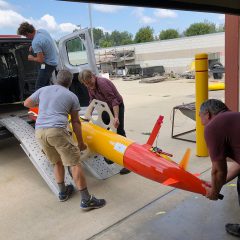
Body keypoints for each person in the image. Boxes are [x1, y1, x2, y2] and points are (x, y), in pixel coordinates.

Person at [24, 70, 106, 210]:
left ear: (56, 80)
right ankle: (86, 200)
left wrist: (46, 107)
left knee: (57, 162)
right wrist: (80, 142)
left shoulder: (43, 90)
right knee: (75, 164)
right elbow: (76, 122)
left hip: (40, 132)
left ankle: (63, 192)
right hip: (56, 131)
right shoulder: (71, 96)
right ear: (69, 82)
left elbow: (27, 103)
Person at [200, 99, 240, 237]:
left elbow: (218, 170)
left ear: (207, 114)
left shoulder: (212, 126)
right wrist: (220, 183)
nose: (201, 123)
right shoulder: (235, 118)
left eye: (200, 117)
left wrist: (214, 192)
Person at [78, 69, 131, 175]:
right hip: (105, 108)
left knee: (119, 132)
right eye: (86, 84)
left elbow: (114, 101)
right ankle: (111, 156)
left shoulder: (102, 83)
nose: (89, 86)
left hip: (116, 107)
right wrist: (87, 116)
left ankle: (128, 164)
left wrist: (116, 118)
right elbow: (92, 100)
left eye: (90, 83)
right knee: (104, 131)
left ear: (93, 76)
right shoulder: (89, 85)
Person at [17, 22, 58, 90]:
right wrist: (33, 46)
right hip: (53, 61)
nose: (27, 37)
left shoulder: (36, 42)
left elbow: (40, 60)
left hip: (48, 65)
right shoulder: (42, 31)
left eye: (26, 36)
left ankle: (43, 100)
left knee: (39, 87)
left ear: (28, 33)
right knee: (45, 83)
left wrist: (32, 58)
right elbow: (44, 43)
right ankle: (48, 91)